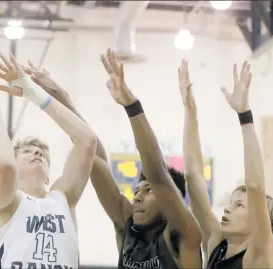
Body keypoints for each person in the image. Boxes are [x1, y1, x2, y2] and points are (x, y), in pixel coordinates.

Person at [22, 49, 203, 269]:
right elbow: (92, 152)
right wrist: (60, 97)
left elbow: (158, 174)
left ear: (170, 199)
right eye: (137, 191)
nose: (137, 197)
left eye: (149, 192)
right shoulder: (128, 224)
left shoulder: (183, 234)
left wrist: (132, 106)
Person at [0, 53, 97, 269]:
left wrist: (32, 92)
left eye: (42, 154)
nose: (37, 154)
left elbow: (87, 140)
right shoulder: (5, 201)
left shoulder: (63, 198)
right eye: (27, 151)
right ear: (15, 162)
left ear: (48, 175)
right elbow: (5, 167)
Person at [179, 59, 273, 269]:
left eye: (239, 206)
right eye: (231, 203)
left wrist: (244, 115)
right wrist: (190, 111)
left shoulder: (259, 256)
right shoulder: (216, 242)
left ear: (260, 221)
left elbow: (256, 186)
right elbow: (193, 176)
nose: (227, 209)